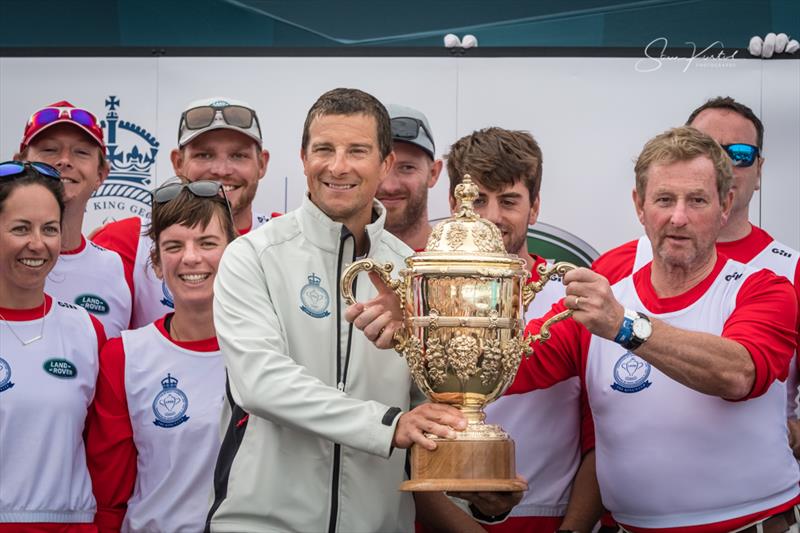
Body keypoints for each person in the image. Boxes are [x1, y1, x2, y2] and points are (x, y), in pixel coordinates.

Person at [352, 126, 800, 531]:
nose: (678, 217)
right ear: (640, 206)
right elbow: (499, 366)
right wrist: (417, 330)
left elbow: (739, 374)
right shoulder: (600, 300)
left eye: (696, 200)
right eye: (664, 200)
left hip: (752, 525)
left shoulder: (763, 288)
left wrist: (625, 326)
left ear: (725, 206)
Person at [207, 88, 480, 533]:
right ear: (302, 158)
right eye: (324, 150)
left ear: (384, 164)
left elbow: (432, 409)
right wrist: (386, 424)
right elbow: (260, 383)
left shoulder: (414, 274)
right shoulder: (253, 255)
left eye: (357, 151)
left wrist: (481, 498)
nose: (338, 166)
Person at [414, 128, 600, 533]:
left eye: (509, 201)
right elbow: (408, 425)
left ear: (534, 209)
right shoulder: (422, 292)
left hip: (548, 519)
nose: (492, 217)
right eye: (478, 199)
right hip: (439, 518)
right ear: (453, 203)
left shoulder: (568, 298)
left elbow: (600, 436)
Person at [594, 96, 800, 456]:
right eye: (706, 147)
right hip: (628, 509)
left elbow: (739, 377)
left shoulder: (787, 272)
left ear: (759, 170)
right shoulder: (615, 268)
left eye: (738, 153)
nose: (721, 161)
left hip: (754, 496)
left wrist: (777, 433)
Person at [86, 180, 236, 533]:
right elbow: (109, 493)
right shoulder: (125, 355)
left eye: (207, 243)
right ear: (155, 263)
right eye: (174, 246)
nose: (191, 257)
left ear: (235, 253)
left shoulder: (266, 349)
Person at [92, 97, 271, 328]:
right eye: (204, 155)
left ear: (262, 163)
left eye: (238, 155)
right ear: (177, 162)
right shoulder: (124, 239)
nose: (221, 170)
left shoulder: (283, 238)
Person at [0, 161, 106, 531]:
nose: (37, 243)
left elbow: (103, 450)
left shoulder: (86, 330)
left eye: (49, 229)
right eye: (20, 228)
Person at [14, 101, 131, 337]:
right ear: (20, 163)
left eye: (81, 152)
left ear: (101, 174)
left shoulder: (114, 267)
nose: (65, 160)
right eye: (49, 149)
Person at [376, 104, 442, 251]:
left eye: (407, 168)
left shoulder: (459, 262)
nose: (390, 186)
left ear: (433, 173)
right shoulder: (340, 261)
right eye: (380, 167)